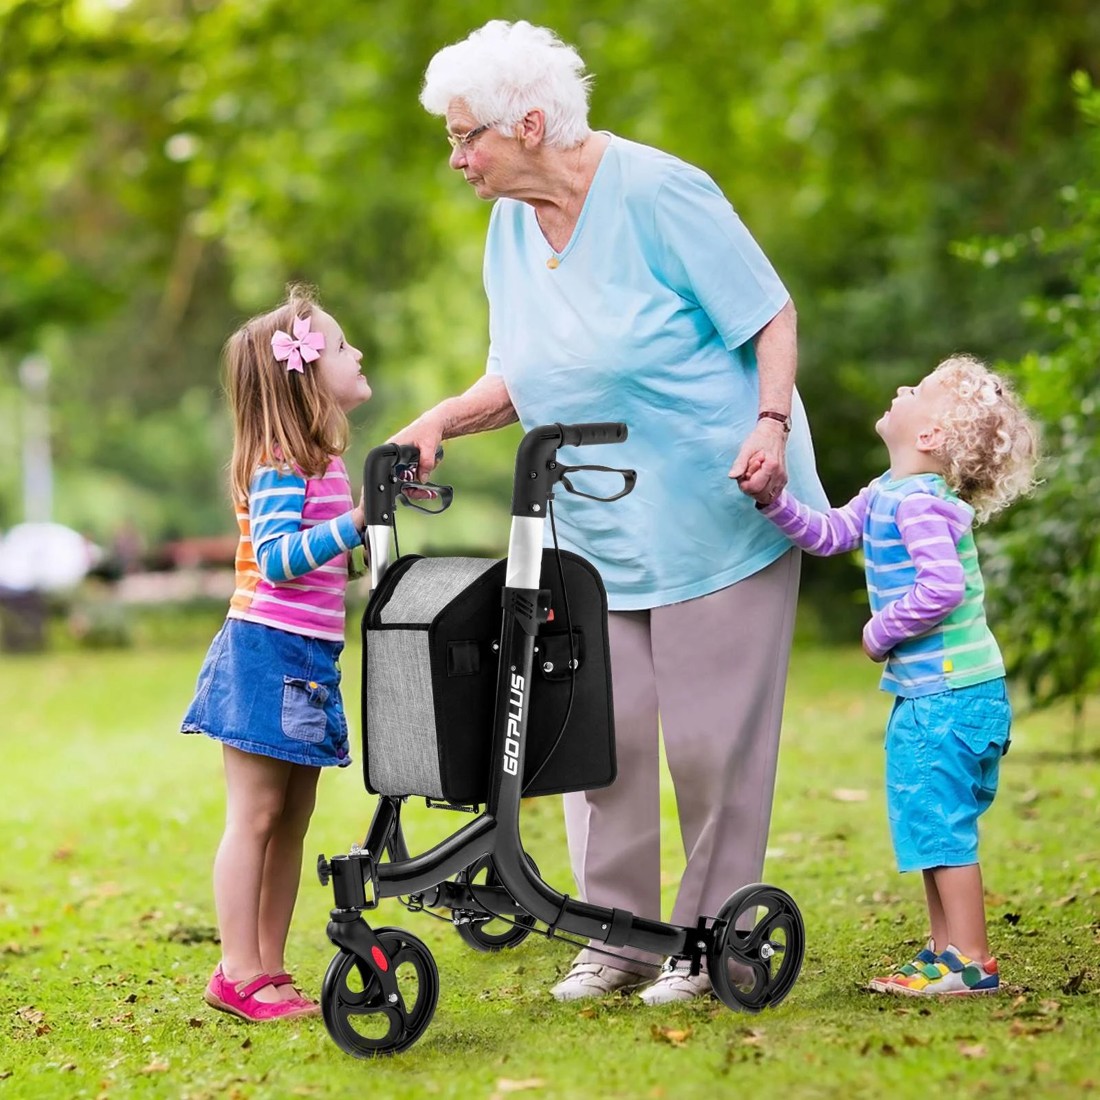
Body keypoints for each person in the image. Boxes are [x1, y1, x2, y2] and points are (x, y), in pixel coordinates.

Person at [395, 20, 829, 1004]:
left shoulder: (660, 193)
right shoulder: (510, 223)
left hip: (720, 502)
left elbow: (769, 313)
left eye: (469, 138)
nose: (457, 158)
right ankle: (616, 935)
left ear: (533, 122)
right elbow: (520, 375)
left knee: (712, 740)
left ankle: (713, 938)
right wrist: (439, 419)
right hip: (596, 524)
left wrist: (767, 424)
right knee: (601, 730)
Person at [741, 354, 1038, 996]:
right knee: (929, 823)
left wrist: (880, 632)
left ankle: (971, 961)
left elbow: (942, 587)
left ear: (928, 436)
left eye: (919, 390)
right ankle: (943, 952)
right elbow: (826, 535)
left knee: (941, 823)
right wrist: (773, 501)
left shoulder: (923, 506)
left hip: (950, 697)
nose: (902, 387)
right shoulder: (887, 493)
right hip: (937, 695)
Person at [181, 286, 372, 1021]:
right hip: (266, 649)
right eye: (344, 345)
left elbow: (329, 562)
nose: (358, 355)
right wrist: (357, 523)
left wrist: (367, 527)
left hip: (309, 655)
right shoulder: (277, 459)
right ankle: (237, 969)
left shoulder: (323, 459)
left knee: (291, 817)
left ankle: (269, 966)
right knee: (256, 815)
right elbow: (280, 557)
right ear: (306, 371)